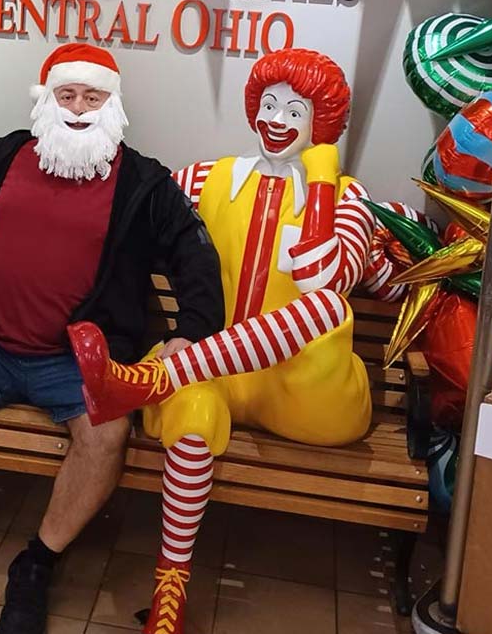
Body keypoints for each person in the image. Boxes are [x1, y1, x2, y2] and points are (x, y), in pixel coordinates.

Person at [0, 44, 223, 634]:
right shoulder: (5, 155)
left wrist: (191, 332)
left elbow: (196, 251)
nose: (79, 108)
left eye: (93, 97)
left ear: (113, 105)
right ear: (46, 100)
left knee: (106, 435)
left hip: (78, 360)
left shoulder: (143, 182)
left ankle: (37, 564)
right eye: (67, 95)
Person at [68, 49, 376, 634]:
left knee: (328, 305)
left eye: (296, 110)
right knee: (191, 425)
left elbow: (324, 275)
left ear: (323, 124)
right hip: (218, 380)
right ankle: (170, 594)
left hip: (306, 395)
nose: (277, 118)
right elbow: (125, 200)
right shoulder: (206, 178)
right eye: (269, 103)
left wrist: (323, 176)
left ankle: (154, 378)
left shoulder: (349, 199)